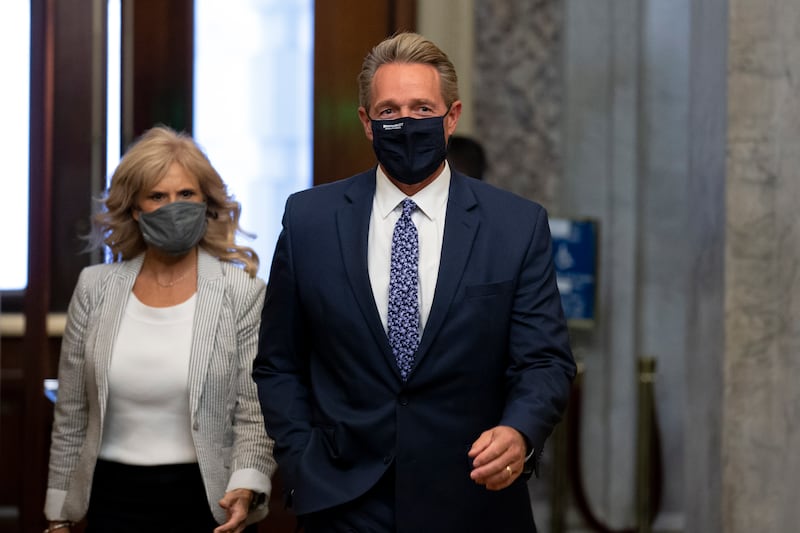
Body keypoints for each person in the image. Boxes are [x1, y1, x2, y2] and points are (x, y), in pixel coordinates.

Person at [252, 32, 575, 533]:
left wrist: (520, 431)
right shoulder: (308, 220)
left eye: (423, 108)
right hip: (342, 502)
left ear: (452, 117)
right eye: (389, 110)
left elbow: (544, 360)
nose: (406, 123)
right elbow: (278, 363)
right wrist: (301, 459)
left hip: (473, 498)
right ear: (366, 122)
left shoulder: (516, 225)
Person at [44, 125, 276, 533]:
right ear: (135, 208)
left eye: (186, 194)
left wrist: (246, 485)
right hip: (112, 501)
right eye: (157, 196)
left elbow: (254, 413)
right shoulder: (95, 287)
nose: (174, 206)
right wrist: (58, 516)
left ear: (206, 202)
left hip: (210, 503)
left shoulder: (242, 293)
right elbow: (72, 415)